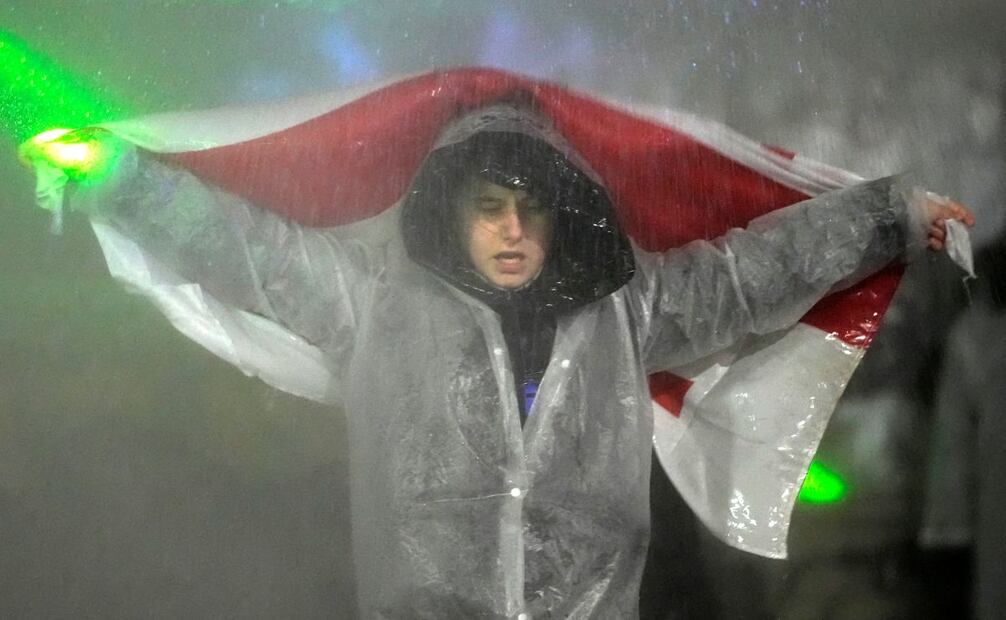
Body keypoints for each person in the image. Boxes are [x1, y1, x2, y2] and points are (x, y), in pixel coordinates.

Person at [37, 92, 972, 617]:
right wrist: (113, 174)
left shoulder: (624, 313)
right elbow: (243, 246)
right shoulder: (376, 311)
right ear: (451, 209)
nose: (514, 229)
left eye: (532, 208)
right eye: (490, 206)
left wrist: (892, 215)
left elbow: (748, 273)